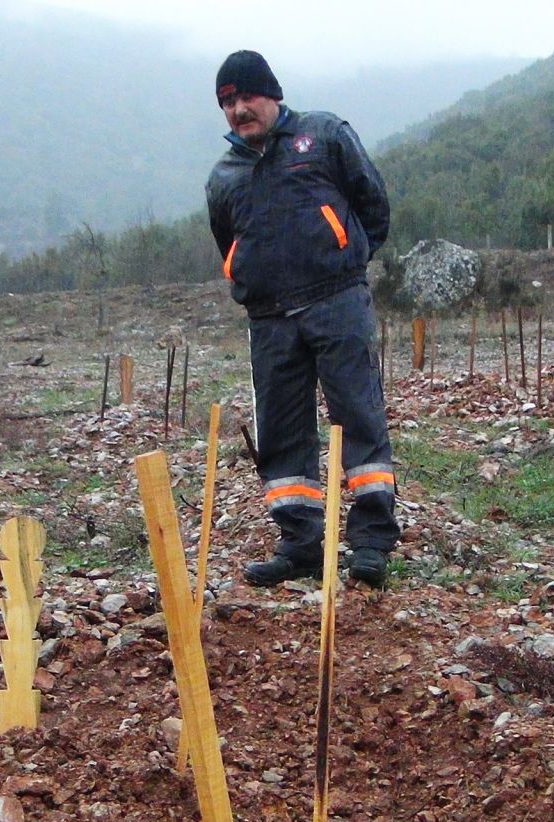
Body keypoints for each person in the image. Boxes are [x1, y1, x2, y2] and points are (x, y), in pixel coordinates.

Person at [205, 49, 399, 589]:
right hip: (269, 319)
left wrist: (346, 257)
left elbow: (372, 205)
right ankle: (300, 545)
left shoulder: (325, 135)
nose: (239, 109)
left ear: (273, 94)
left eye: (247, 96)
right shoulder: (225, 176)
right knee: (283, 436)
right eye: (227, 102)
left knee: (358, 418)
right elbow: (228, 241)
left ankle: (370, 543)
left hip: (337, 302)